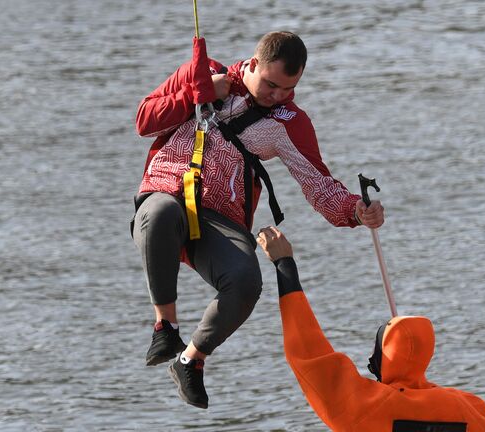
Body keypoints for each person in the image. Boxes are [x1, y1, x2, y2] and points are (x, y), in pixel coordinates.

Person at [131, 31, 385, 409]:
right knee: (162, 211)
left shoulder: (289, 122)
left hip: (220, 218)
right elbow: (144, 120)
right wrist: (197, 94)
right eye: (271, 84)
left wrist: (354, 211)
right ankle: (165, 326)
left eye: (288, 88)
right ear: (252, 63)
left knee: (247, 281)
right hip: (164, 196)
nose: (277, 95)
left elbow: (319, 184)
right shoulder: (203, 74)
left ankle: (191, 360)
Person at [256, 226, 485, 432]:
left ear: (383, 358)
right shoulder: (473, 408)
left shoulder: (366, 407)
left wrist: (283, 263)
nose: (371, 358)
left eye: (376, 351)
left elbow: (310, 353)